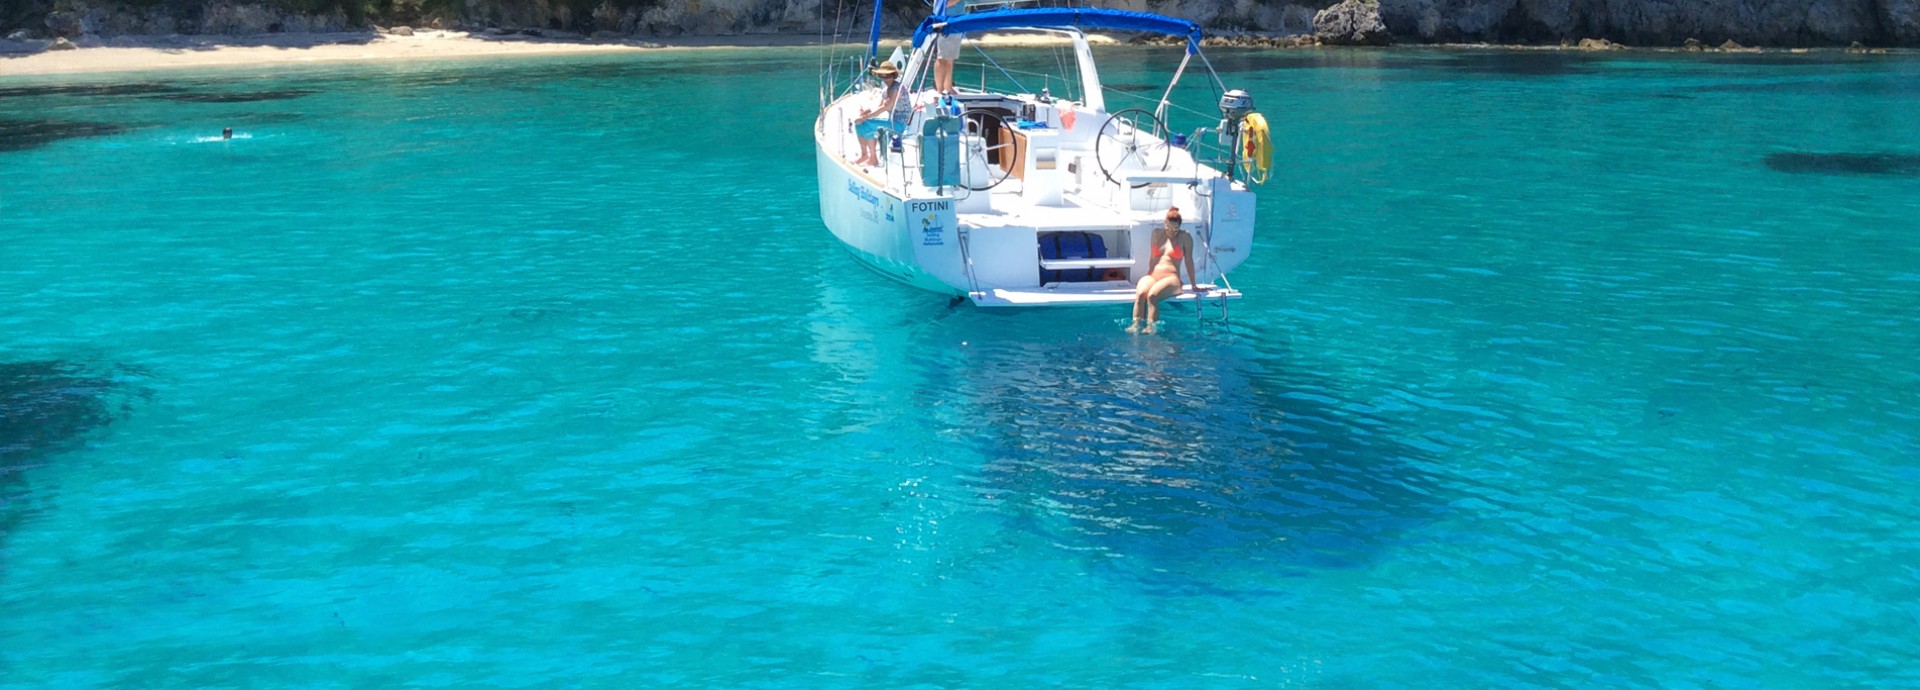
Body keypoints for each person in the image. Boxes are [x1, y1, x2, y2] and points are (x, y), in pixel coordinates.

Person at [1128, 207, 1204, 334]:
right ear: (1165, 224)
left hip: (1172, 278)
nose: (1172, 232)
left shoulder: (1185, 237)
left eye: (1176, 229)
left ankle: (1151, 328)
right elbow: (1152, 258)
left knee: (1152, 296)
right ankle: (1135, 325)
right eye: (1169, 228)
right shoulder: (1157, 233)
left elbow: (1189, 261)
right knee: (1141, 294)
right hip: (1153, 275)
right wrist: (1149, 276)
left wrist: (1193, 285)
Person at [851, 62, 905, 168]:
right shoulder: (886, 90)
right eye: (882, 76)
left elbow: (886, 107)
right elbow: (878, 106)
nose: (885, 79)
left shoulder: (897, 89)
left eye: (888, 76)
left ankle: (873, 159)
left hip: (900, 124)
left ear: (894, 76)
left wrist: (865, 117)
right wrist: (865, 112)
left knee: (866, 124)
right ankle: (864, 155)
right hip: (892, 121)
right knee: (858, 124)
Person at [932, 0, 967, 94]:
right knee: (942, 58)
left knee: (950, 59)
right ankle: (939, 89)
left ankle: (948, 86)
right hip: (946, 23)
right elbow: (946, 3)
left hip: (956, 22)